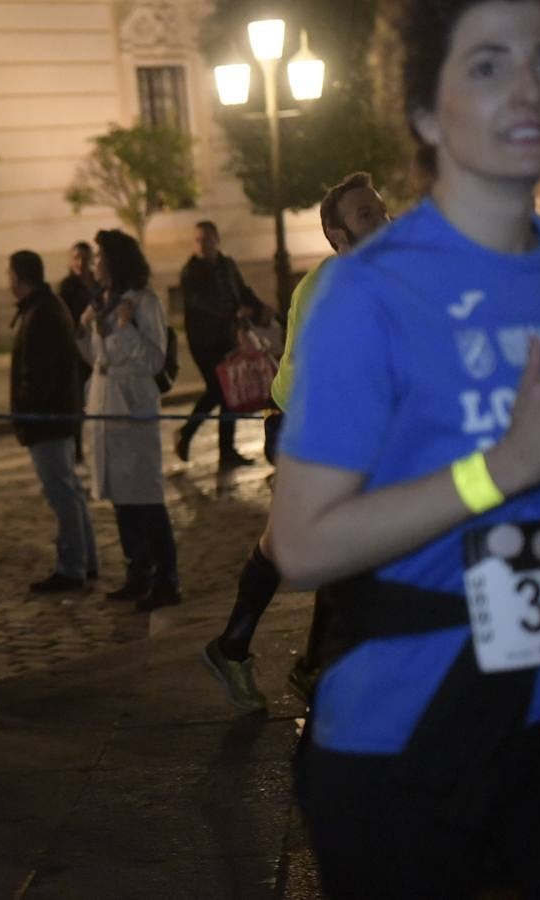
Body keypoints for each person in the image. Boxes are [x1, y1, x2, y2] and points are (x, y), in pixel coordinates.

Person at [269, 0, 540, 891]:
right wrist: (503, 468)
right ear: (426, 110)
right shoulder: (367, 296)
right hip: (409, 746)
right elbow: (303, 545)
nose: (528, 89)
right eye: (487, 64)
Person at [203, 172, 390, 710]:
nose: (381, 219)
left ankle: (238, 647)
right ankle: (305, 666)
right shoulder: (326, 289)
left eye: (381, 209)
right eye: (365, 215)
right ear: (337, 235)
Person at [85, 230, 181, 610]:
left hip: (133, 407)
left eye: (99, 256)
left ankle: (166, 578)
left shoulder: (145, 302)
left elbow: (154, 358)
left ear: (115, 261)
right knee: (121, 498)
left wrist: (125, 329)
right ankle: (136, 572)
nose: (95, 263)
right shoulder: (106, 303)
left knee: (144, 495)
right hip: (106, 406)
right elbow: (92, 354)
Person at [9, 249, 97, 594]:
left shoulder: (41, 312)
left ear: (19, 276)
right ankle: (85, 561)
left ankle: (73, 566)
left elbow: (40, 373)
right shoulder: (46, 306)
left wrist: (27, 406)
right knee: (69, 491)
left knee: (61, 492)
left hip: (47, 419)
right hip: (56, 416)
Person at [174, 221, 266, 470]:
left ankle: (224, 450)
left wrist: (258, 309)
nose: (201, 245)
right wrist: (232, 314)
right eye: (198, 240)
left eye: (206, 239)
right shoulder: (191, 271)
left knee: (228, 394)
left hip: (227, 338)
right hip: (204, 342)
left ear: (216, 239)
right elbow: (200, 302)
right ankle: (188, 433)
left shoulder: (227, 265)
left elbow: (243, 291)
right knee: (219, 390)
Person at [57, 240, 98, 326]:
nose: (81, 263)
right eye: (76, 258)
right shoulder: (66, 286)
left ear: (92, 259)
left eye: (85, 258)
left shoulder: (99, 281)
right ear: (71, 261)